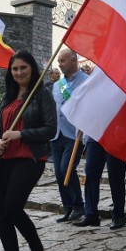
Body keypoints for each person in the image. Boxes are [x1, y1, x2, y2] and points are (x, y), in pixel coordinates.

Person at [0, 51, 57, 251]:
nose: (19, 73)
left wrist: (21, 134)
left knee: (12, 207)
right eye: (15, 69)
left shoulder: (42, 94)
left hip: (30, 157)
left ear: (32, 69)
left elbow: (51, 129)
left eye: (23, 68)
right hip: (5, 158)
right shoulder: (7, 96)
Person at [51, 48, 88, 223]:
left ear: (74, 61)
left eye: (63, 61)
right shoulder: (57, 85)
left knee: (67, 169)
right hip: (57, 134)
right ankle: (68, 208)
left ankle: (79, 205)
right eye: (58, 61)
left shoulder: (87, 82)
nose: (59, 64)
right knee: (59, 173)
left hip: (75, 134)